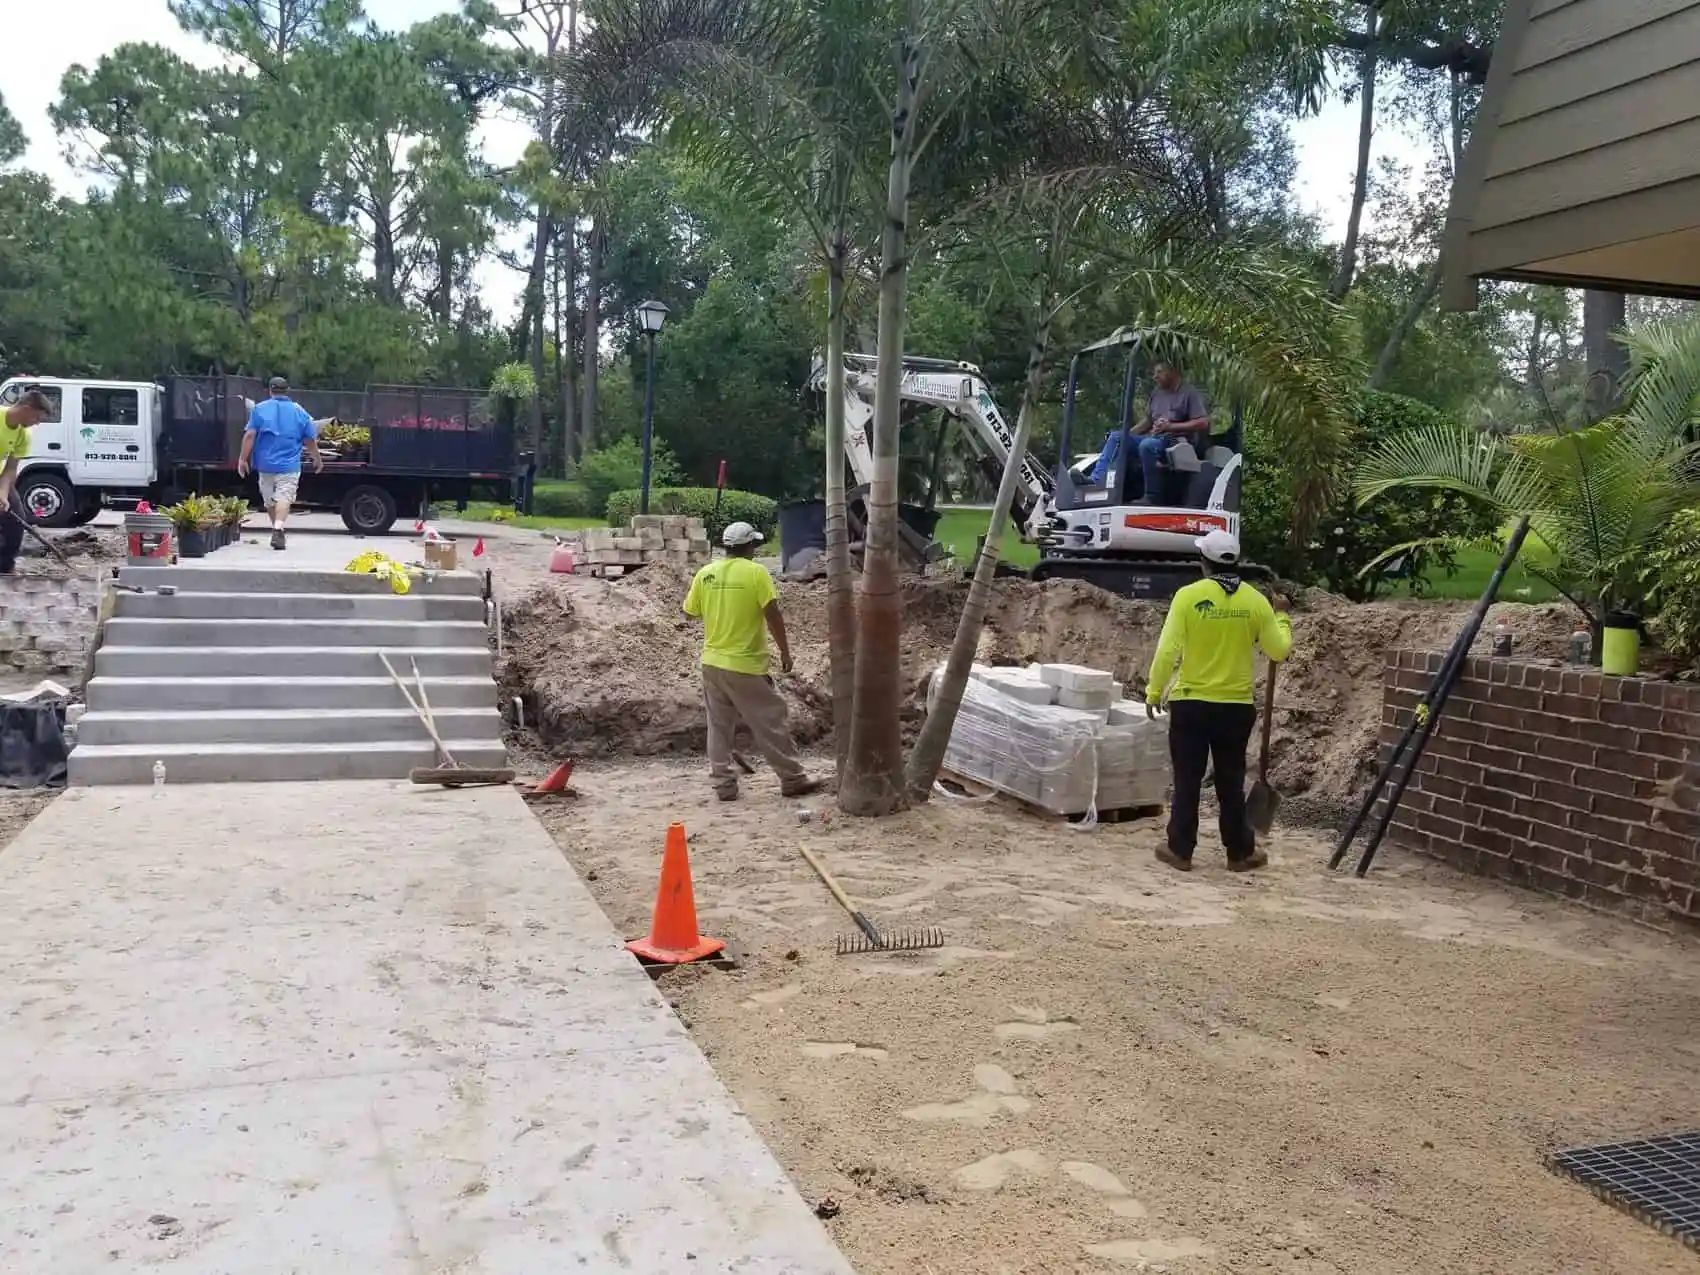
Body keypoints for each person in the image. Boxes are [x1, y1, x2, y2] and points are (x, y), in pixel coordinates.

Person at [1145, 529, 1291, 872]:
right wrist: (1282, 616)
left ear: (1203, 563)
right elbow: (1279, 650)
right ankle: (1240, 852)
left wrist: (1154, 690)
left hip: (1191, 704)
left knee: (1187, 779)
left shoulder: (1188, 597)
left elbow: (1168, 650)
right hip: (1236, 708)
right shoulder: (1255, 601)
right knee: (1230, 779)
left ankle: (1180, 849)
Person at [683, 521, 823, 802]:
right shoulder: (756, 573)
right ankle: (792, 778)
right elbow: (772, 614)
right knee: (770, 720)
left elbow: (690, 612)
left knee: (719, 726)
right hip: (745, 664)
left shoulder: (705, 573)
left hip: (712, 662)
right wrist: (784, 652)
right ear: (749, 546)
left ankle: (723, 784)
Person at [1088, 361, 1210, 500]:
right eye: (1154, 373)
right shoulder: (1157, 393)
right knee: (1117, 437)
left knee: (1147, 445)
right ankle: (1097, 481)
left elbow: (1202, 423)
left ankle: (1152, 496)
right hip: (1155, 438)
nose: (1155, 377)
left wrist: (1171, 426)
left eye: (1159, 372)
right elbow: (1148, 421)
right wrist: (1127, 435)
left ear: (1173, 372)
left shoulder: (1188, 393)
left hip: (1176, 441)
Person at [237, 376, 322, 551]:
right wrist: (316, 458)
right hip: (289, 465)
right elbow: (309, 438)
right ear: (287, 390)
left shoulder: (259, 409)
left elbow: (250, 435)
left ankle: (277, 529)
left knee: (270, 500)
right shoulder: (299, 411)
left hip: (265, 464)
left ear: (269, 390)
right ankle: (278, 528)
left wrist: (242, 459)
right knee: (285, 496)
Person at [0, 390, 55, 574]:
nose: (37, 423)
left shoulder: (23, 435)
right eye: (37, 417)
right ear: (26, 408)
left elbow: (10, 468)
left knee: (16, 519)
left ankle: (6, 566)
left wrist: (3, 494)